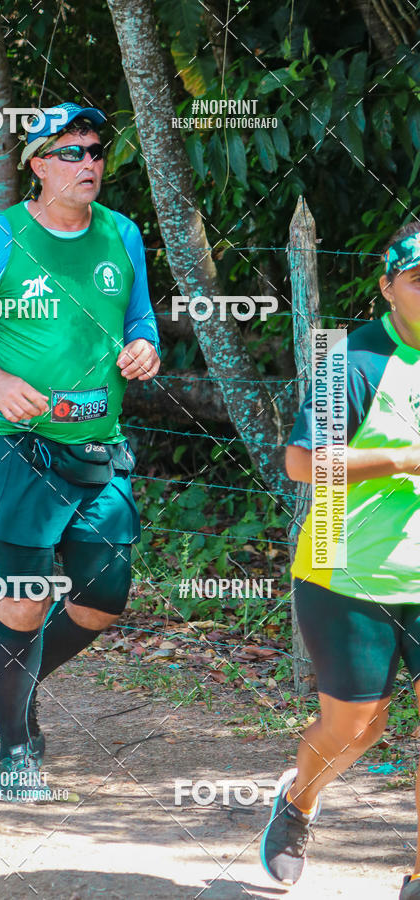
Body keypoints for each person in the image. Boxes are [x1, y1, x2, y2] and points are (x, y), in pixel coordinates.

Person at [0, 102, 160, 793]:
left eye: (96, 151)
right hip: (17, 447)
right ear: (37, 166)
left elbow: (139, 317)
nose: (89, 163)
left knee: (103, 599)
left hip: (98, 446)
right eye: (71, 153)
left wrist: (145, 346)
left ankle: (12, 675)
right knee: (24, 600)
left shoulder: (122, 233)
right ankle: (14, 750)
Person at [260, 222, 420, 898]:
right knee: (356, 728)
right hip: (347, 572)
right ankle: (298, 801)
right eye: (419, 279)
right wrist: (404, 459)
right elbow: (302, 463)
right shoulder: (352, 360)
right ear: (388, 287)